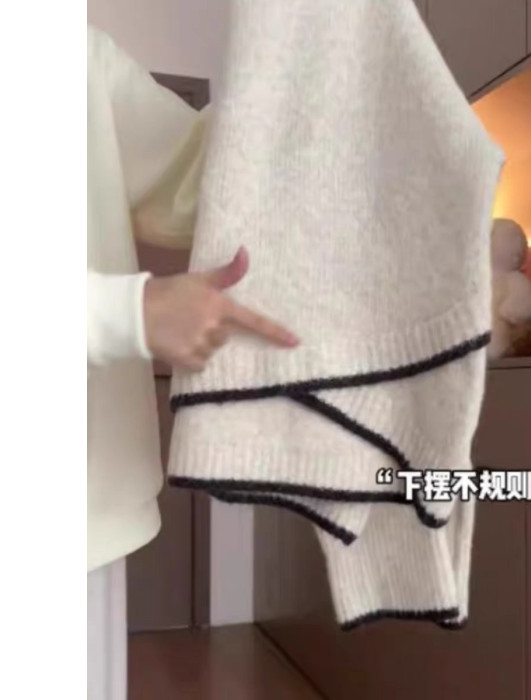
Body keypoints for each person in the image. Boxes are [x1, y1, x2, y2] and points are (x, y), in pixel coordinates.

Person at [87, 25, 298, 700]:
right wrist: (127, 313)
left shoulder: (73, 51)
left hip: (89, 512)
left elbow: (191, 178)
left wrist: (294, 63)